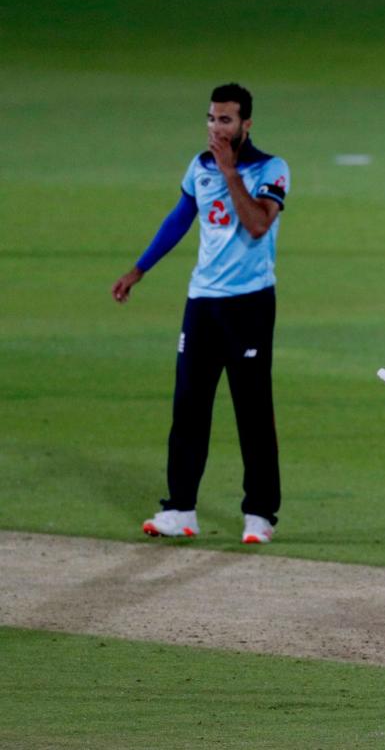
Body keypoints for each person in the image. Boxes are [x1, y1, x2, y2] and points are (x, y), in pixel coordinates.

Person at [112, 83, 289, 544]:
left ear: (246, 124)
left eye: (226, 120)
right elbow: (178, 219)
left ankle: (260, 514)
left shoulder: (270, 168)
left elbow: (256, 224)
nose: (216, 128)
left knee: (252, 409)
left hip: (249, 302)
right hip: (202, 303)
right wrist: (139, 270)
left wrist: (231, 172)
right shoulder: (200, 167)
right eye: (211, 119)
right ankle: (180, 509)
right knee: (189, 406)